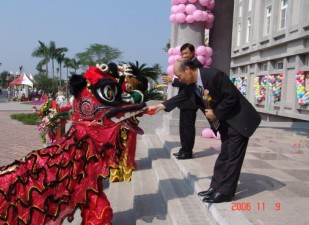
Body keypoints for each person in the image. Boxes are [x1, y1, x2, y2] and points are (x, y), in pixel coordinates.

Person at [147, 59, 261, 203]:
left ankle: (225, 192)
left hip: (239, 120)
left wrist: (216, 113)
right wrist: (160, 106)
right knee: (224, 155)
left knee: (233, 157)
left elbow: (231, 97)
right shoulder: (193, 85)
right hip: (226, 122)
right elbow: (181, 97)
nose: (178, 78)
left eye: (179, 75)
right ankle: (215, 187)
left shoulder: (214, 75)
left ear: (188, 69)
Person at [162, 43, 203, 160]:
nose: (184, 56)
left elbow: (189, 82)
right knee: (183, 127)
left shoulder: (196, 65)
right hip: (185, 101)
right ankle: (183, 149)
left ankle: (187, 151)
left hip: (191, 101)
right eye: (182, 53)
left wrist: (173, 80)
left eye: (186, 53)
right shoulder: (187, 64)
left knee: (188, 127)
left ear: (193, 53)